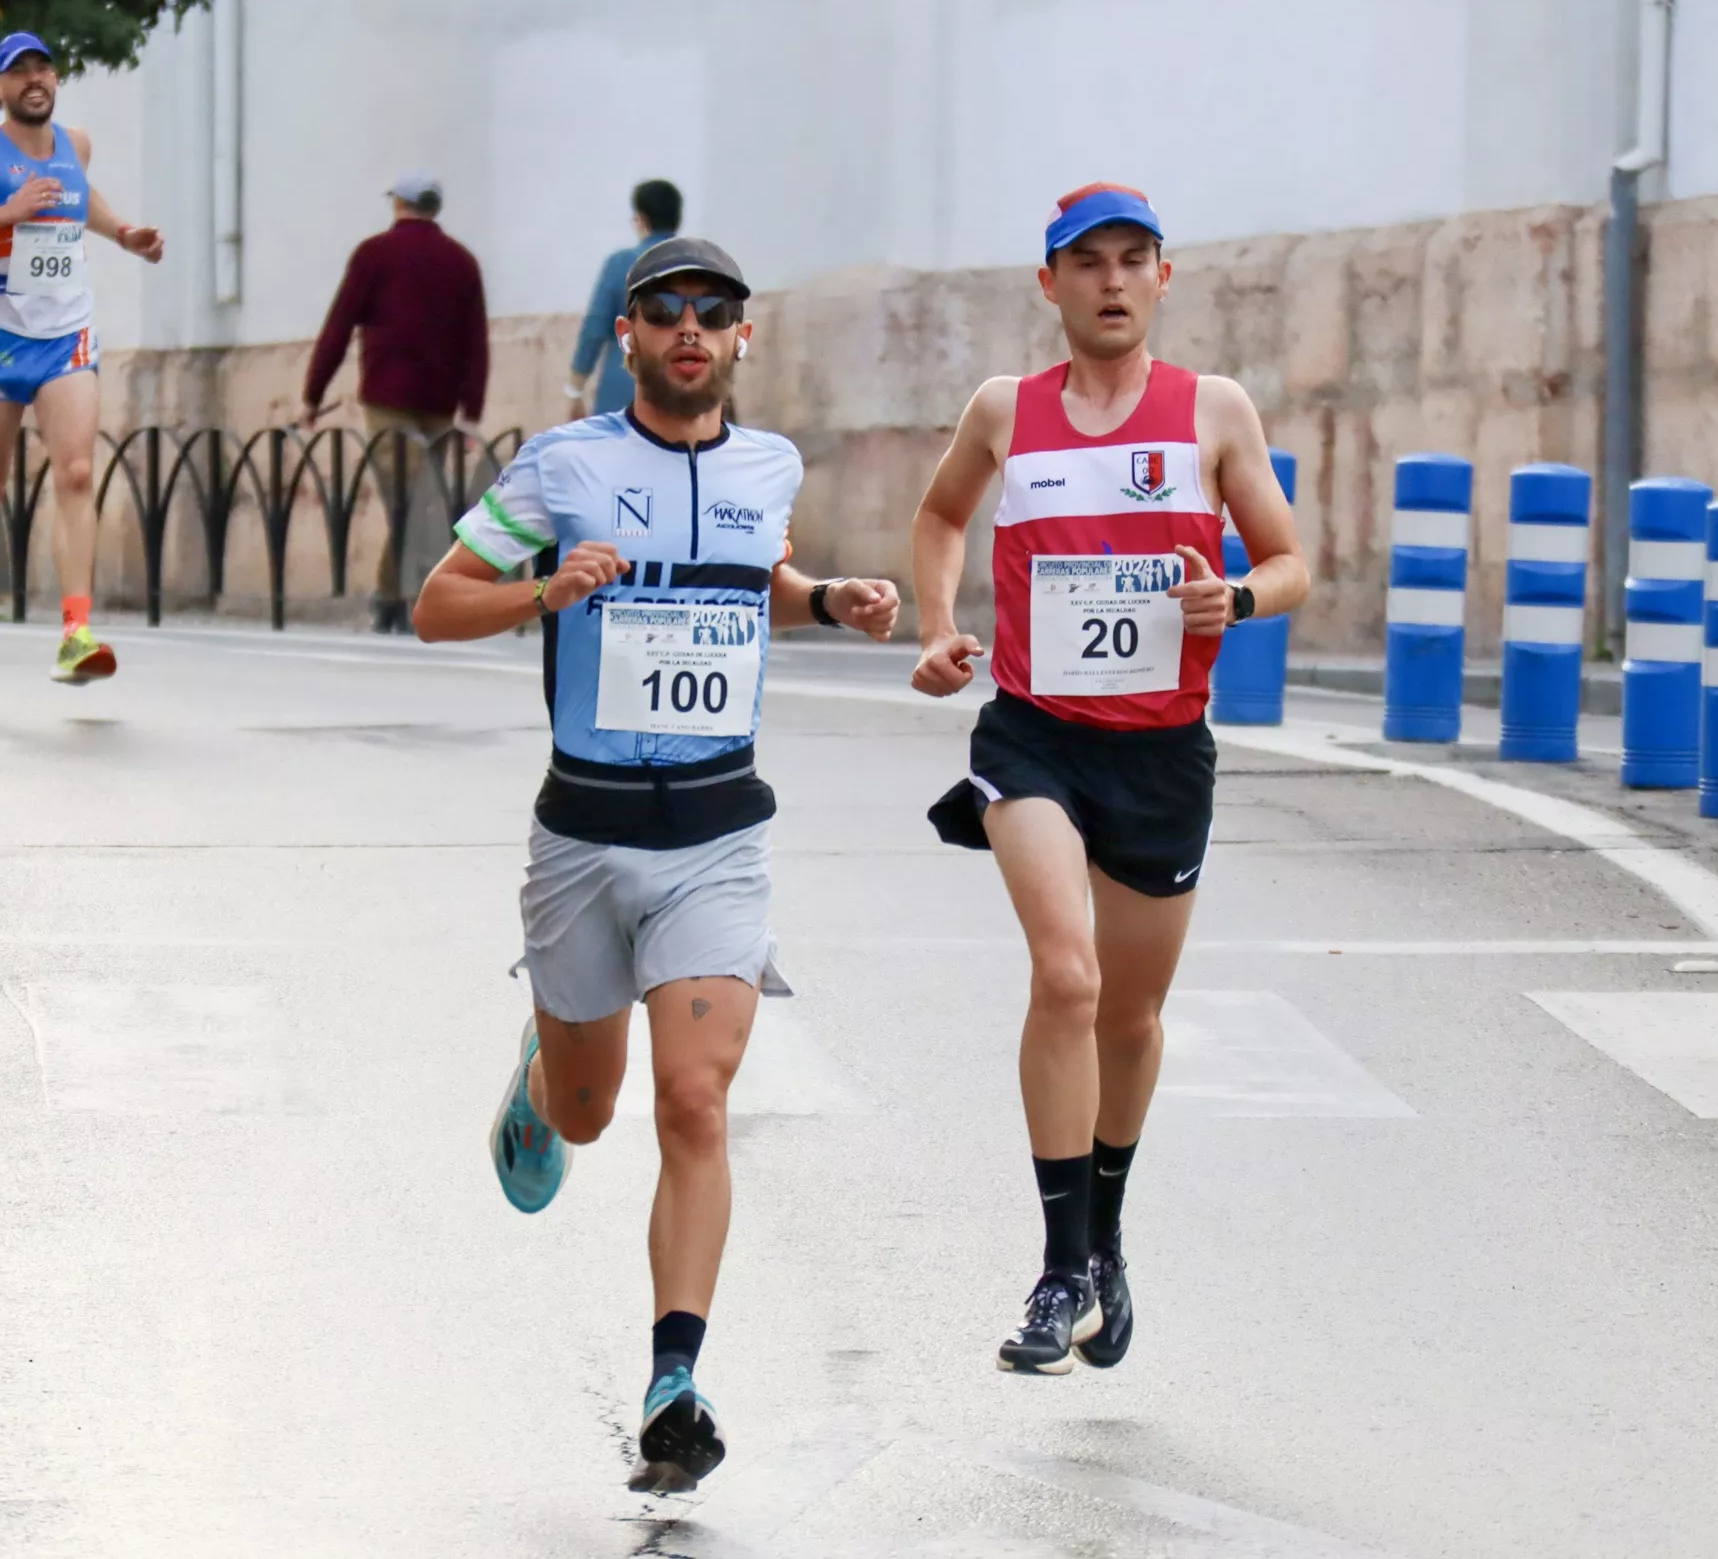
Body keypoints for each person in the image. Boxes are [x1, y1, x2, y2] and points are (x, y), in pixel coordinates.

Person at [411, 237, 900, 1492]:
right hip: (583, 835)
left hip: (717, 836)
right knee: (590, 1111)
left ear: (745, 336)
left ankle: (674, 1377)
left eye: (714, 311)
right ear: (625, 335)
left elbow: (750, 580)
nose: (691, 327)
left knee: (695, 1100)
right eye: (664, 310)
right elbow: (436, 599)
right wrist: (544, 591)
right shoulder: (564, 464)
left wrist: (826, 595)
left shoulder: (768, 463)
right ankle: (543, 1071)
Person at [908, 184, 1308, 1374]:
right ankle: (1052, 1266)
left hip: (1160, 750)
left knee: (1130, 1012)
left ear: (1164, 278)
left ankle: (1103, 1238)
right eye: (1088, 264)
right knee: (1067, 975)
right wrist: (938, 625)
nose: (1114, 281)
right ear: (1050, 284)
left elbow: (1291, 563)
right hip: (1034, 736)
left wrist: (1234, 597)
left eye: (1136, 260)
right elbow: (939, 517)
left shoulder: (1213, 411)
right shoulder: (1003, 411)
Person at [0, 31, 164, 683]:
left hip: (67, 336)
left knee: (76, 472)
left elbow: (81, 196)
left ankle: (76, 632)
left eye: (42, 67)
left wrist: (123, 233)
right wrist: (4, 213)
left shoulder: (75, 145)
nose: (34, 78)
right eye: (18, 71)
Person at [299, 174, 490, 625]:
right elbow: (476, 340)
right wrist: (473, 409)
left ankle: (398, 597)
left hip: (388, 395)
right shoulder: (462, 261)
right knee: (421, 498)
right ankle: (394, 595)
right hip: (442, 400)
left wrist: (312, 394)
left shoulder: (374, 254)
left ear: (399, 204)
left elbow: (339, 326)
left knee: (403, 496)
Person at [565, 179, 682, 421]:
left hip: (624, 389)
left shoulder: (621, 265)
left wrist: (575, 390)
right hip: (684, 388)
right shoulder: (698, 265)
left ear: (641, 219)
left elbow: (594, 331)